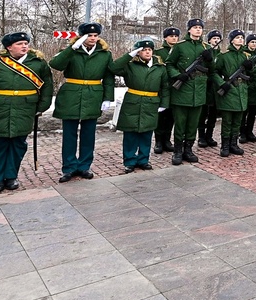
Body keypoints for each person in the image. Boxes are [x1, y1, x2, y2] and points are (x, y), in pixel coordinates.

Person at [0, 32, 53, 192]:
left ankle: (11, 176)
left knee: (18, 145)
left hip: (25, 108)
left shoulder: (39, 64)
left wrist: (42, 107)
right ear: (9, 47)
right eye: (19, 44)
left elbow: (47, 86)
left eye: (26, 43)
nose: (24, 46)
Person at [50, 22, 115, 182]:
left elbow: (108, 77)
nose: (93, 38)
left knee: (88, 134)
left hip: (93, 95)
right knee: (69, 135)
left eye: (95, 35)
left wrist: (108, 97)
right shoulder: (71, 51)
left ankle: (85, 166)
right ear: (80, 36)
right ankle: (69, 167)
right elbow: (55, 65)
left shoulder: (104, 54)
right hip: (71, 94)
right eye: (89, 35)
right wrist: (71, 49)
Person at [109, 39, 169, 172]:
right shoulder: (130, 65)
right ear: (137, 52)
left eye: (149, 50)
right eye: (143, 50)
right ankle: (129, 161)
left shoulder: (160, 67)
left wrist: (164, 103)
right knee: (130, 134)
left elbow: (165, 87)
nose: (147, 52)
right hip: (133, 101)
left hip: (151, 102)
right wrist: (129, 55)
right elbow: (113, 68)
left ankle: (143, 160)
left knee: (146, 134)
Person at [166, 19, 213, 165]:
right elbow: (169, 64)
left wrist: (210, 60)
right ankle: (177, 151)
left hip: (198, 92)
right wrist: (177, 75)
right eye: (195, 27)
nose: (198, 30)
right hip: (182, 91)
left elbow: (212, 70)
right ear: (189, 30)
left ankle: (188, 150)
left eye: (200, 27)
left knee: (193, 124)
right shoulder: (180, 46)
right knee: (180, 124)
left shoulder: (206, 47)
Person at [211, 29, 250, 156]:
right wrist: (222, 83)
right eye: (237, 37)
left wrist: (250, 67)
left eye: (242, 37)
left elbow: (251, 74)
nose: (240, 39)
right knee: (227, 121)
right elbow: (214, 72)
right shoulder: (223, 56)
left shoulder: (246, 56)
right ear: (232, 40)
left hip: (241, 91)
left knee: (238, 121)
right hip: (229, 90)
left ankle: (234, 144)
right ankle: (225, 146)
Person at [197, 30, 223, 148]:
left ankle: (209, 136)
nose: (216, 40)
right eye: (214, 38)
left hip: (216, 87)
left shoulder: (221, 55)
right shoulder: (206, 52)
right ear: (209, 40)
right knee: (203, 113)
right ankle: (201, 137)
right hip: (205, 85)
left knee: (213, 113)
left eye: (218, 38)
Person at [242, 33, 256, 142]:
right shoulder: (243, 53)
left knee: (253, 112)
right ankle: (242, 133)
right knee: (244, 112)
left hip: (255, 87)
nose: (254, 44)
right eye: (252, 42)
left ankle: (249, 132)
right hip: (246, 85)